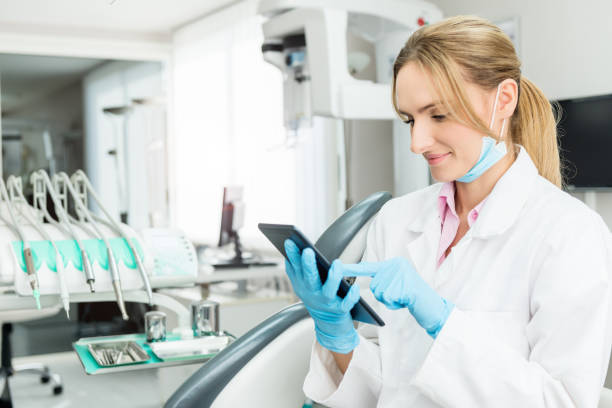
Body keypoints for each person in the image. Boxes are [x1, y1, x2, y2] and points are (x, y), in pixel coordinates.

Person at [283, 15, 612, 407]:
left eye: (438, 114)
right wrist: (337, 333)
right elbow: (379, 391)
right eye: (409, 119)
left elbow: (562, 401)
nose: (417, 142)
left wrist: (443, 322)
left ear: (503, 100)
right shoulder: (395, 221)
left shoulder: (571, 234)